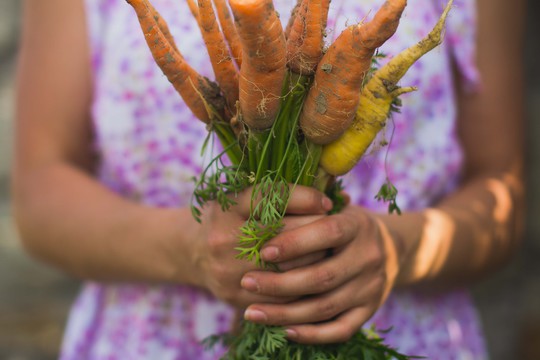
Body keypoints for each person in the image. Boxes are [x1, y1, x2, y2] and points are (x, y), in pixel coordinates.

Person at [13, 0, 524, 358]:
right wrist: (191, 249)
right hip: (149, 341)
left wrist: (396, 250)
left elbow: (503, 198)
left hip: (402, 335)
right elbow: (38, 196)